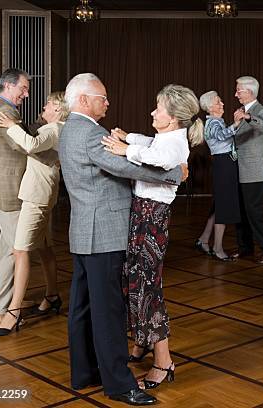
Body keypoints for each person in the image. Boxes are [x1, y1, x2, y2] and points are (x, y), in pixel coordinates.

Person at [59, 73, 187, 405]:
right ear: (84, 99)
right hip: (104, 232)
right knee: (109, 311)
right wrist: (175, 174)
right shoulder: (89, 133)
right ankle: (119, 385)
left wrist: (131, 143)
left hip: (85, 232)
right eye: (102, 97)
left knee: (83, 308)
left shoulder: (71, 129)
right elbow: (126, 168)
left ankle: (85, 373)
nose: (107, 102)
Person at [101, 84, 202, 390]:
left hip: (152, 218)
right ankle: (143, 341)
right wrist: (128, 137)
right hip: (144, 214)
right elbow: (151, 144)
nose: (152, 112)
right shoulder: (168, 136)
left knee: (147, 288)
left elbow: (157, 158)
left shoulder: (173, 145)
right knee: (136, 282)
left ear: (172, 118)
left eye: (158, 108)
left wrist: (124, 149)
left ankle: (163, 361)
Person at [0, 92, 68, 336]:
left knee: (20, 250)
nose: (43, 107)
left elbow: (30, 144)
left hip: (36, 196)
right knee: (45, 248)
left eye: (47, 104)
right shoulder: (62, 128)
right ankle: (53, 295)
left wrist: (12, 126)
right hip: (45, 195)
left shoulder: (52, 129)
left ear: (57, 108)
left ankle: (12, 312)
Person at [0, 68, 30, 326]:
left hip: (4, 186)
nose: (26, 92)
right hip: (10, 189)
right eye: (23, 87)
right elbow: (24, 146)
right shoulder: (7, 112)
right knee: (15, 250)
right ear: (8, 86)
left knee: (7, 251)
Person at [230, 76, 263, 264]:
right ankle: (245, 248)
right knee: (240, 211)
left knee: (254, 212)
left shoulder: (260, 111)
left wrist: (248, 117)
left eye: (238, 90)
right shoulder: (241, 111)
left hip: (255, 171)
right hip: (239, 169)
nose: (235, 94)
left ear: (249, 91)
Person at [195, 91, 243, 261]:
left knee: (218, 207)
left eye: (221, 101)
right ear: (209, 107)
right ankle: (218, 248)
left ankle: (203, 240)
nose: (222, 104)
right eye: (218, 102)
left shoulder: (217, 121)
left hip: (225, 164)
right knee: (223, 208)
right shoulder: (212, 124)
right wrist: (236, 124)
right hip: (224, 166)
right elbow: (221, 135)